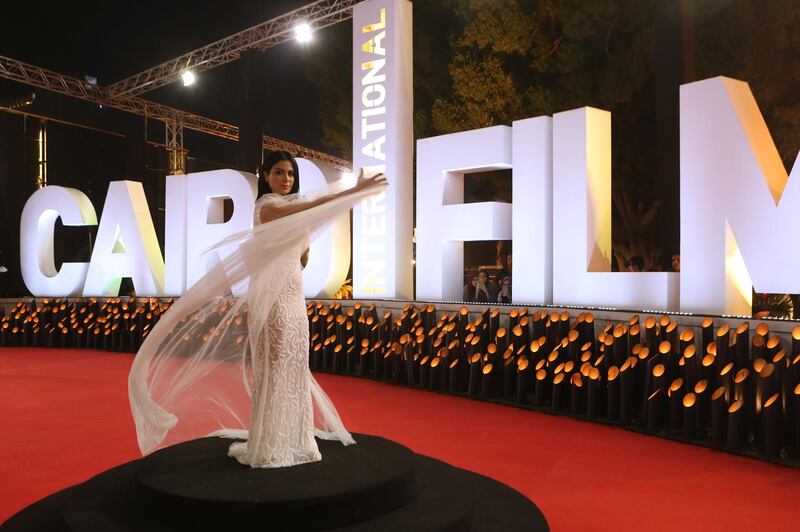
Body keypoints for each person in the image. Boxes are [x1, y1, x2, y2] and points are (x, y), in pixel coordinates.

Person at [128, 151, 388, 468]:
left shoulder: (293, 212)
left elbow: (302, 258)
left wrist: (297, 246)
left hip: (293, 295)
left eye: (290, 174)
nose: (286, 179)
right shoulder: (266, 206)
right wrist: (350, 192)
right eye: (279, 173)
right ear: (266, 176)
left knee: (294, 363)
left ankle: (295, 439)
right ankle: (270, 443)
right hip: (273, 297)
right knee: (276, 364)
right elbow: (306, 213)